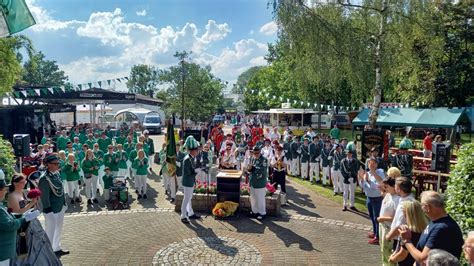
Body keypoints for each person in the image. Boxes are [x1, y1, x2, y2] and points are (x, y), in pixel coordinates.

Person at [398, 191, 464, 263]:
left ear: (427, 207)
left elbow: (424, 259)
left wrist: (407, 241)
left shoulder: (441, 228)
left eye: (422, 205)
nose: (421, 209)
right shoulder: (435, 222)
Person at [0, 171, 40, 265]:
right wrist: (25, 218)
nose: (6, 191)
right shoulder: (11, 197)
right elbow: (10, 225)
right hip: (3, 252)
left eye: (24, 182)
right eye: (3, 189)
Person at [38, 154, 69, 257]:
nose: (57, 165)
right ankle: (48, 252)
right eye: (55, 164)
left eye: (58, 163)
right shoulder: (44, 178)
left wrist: (64, 203)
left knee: (58, 228)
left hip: (59, 206)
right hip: (51, 209)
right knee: (50, 231)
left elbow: (61, 189)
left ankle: (56, 248)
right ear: (48, 165)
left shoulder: (56, 174)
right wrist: (48, 210)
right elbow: (44, 196)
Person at [389, 200, 429, 265]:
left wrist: (392, 259)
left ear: (407, 214)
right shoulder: (427, 228)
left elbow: (402, 255)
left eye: (403, 212)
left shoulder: (407, 232)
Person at [377, 171, 401, 266]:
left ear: (393, 187)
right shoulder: (388, 194)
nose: (384, 189)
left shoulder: (397, 199)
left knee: (388, 251)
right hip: (382, 226)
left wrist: (382, 218)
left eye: (386, 187)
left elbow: (396, 217)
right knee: (383, 249)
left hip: (389, 228)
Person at [359, 158, 384, 244]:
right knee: (372, 217)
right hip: (369, 198)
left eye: (373, 163)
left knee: (377, 218)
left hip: (377, 198)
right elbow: (362, 186)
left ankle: (378, 237)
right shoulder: (368, 173)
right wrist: (361, 178)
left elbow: (379, 185)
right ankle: (375, 232)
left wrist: (369, 180)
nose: (371, 165)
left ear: (377, 164)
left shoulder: (380, 173)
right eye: (369, 163)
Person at [386, 176, 414, 242]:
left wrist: (389, 236)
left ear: (398, 189)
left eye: (395, 186)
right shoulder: (403, 199)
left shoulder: (405, 204)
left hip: (400, 239)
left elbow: (399, 225)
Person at [181, 136, 201, 224]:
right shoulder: (187, 159)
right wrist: (196, 172)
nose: (198, 152)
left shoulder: (191, 158)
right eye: (197, 150)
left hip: (190, 181)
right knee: (186, 198)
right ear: (193, 151)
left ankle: (190, 213)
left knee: (189, 198)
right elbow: (187, 173)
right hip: (187, 181)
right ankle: (183, 216)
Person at [248, 145, 268, 221]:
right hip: (253, 181)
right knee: (253, 198)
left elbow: (262, 170)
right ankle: (254, 211)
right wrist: (249, 169)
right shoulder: (253, 159)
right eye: (254, 153)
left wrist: (254, 168)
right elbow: (251, 167)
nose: (256, 154)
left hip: (260, 182)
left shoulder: (264, 160)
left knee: (260, 199)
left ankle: (262, 213)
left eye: (257, 153)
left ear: (260, 152)